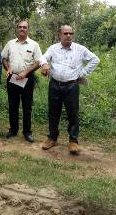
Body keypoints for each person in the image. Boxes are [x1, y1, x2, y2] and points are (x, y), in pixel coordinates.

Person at [40, 25, 100, 154]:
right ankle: (52, 138)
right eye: (65, 33)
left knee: (73, 113)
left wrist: (82, 73)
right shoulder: (53, 48)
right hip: (55, 85)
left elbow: (95, 60)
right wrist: (44, 64)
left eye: (70, 33)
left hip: (71, 86)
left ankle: (73, 141)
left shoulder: (80, 49)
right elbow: (43, 57)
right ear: (59, 35)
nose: (68, 36)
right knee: (53, 112)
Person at [1, 21, 43, 143]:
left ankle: (27, 132)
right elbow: (3, 58)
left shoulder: (34, 45)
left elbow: (38, 62)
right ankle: (13, 130)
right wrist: (8, 68)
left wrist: (25, 72)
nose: (22, 29)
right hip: (12, 78)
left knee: (27, 106)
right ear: (17, 29)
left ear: (28, 29)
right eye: (20, 27)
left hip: (27, 78)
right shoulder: (10, 43)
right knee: (13, 105)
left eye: (24, 27)